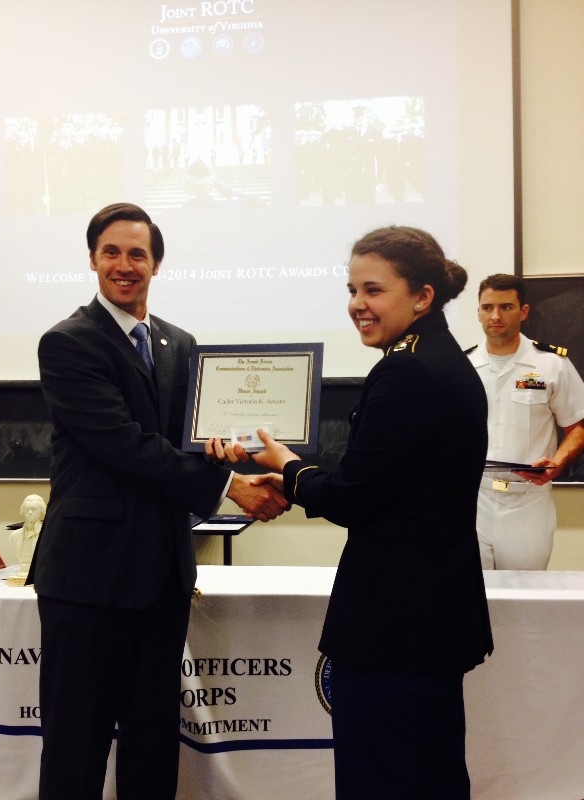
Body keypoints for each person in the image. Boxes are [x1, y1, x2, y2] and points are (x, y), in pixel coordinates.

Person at [207, 226, 493, 799]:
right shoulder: (443, 361)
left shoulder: (407, 370)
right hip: (430, 619)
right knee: (431, 777)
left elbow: (354, 499)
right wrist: (299, 475)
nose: (357, 305)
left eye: (373, 290)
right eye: (352, 289)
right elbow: (387, 485)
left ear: (422, 297)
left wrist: (288, 465)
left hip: (393, 628)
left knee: (382, 781)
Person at [28, 202, 288, 800]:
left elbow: (185, 442)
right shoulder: (68, 343)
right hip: (88, 578)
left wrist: (229, 455)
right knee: (77, 742)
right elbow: (124, 445)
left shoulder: (179, 342)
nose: (124, 265)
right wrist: (230, 489)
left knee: (152, 741)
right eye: (112, 252)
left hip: (162, 575)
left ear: (157, 263)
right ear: (92, 259)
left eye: (137, 253)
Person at [467, 273, 584, 570]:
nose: (495, 316)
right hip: (473, 498)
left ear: (524, 312)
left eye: (506, 307)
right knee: (470, 598)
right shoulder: (463, 366)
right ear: (478, 311)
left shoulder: (551, 364)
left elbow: (577, 426)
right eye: (488, 307)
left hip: (528, 500)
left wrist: (559, 461)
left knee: (524, 596)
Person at [9, 494, 46, 577]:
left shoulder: (47, 536)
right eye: (27, 509)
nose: (30, 512)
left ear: (41, 511)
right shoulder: (14, 536)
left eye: (34, 509)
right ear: (23, 511)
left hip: (40, 574)